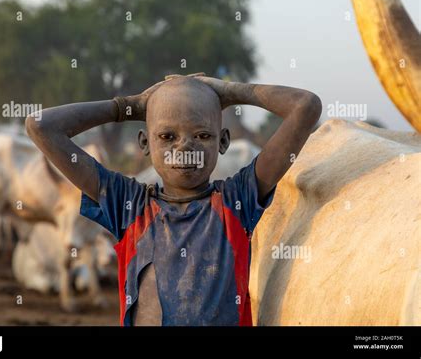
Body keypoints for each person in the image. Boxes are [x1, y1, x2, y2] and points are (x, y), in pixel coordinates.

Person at [26, 72, 322, 326]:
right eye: (167, 137)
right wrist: (129, 106)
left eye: (202, 136)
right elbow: (40, 125)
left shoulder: (237, 199)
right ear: (145, 142)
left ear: (223, 142)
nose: (184, 148)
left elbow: (306, 106)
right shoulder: (128, 206)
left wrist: (229, 91)